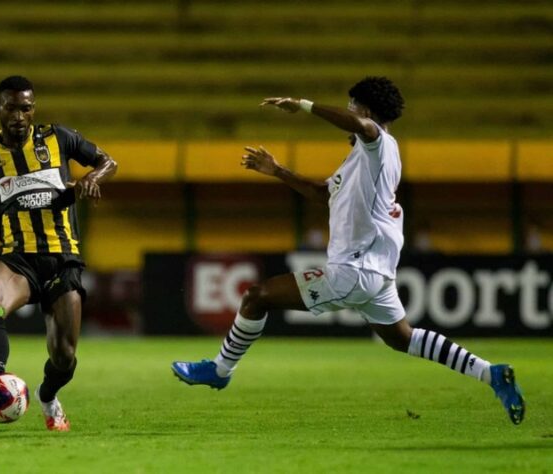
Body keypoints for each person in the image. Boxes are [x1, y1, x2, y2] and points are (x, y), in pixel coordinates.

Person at [171, 76, 525, 425]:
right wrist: (278, 171)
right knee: (404, 339)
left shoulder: (380, 144)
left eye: (351, 105)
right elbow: (322, 194)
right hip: (375, 273)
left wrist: (304, 105)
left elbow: (362, 125)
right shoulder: (360, 158)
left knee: (256, 296)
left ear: (366, 110)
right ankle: (491, 374)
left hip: (352, 270)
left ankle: (220, 369)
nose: (348, 112)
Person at [0, 75, 117, 431]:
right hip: (18, 258)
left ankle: (47, 396)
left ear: (34, 110)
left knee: (64, 356)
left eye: (26, 108)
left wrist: (95, 178)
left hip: (63, 257)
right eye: (12, 108)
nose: (19, 116)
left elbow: (109, 162)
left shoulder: (58, 138)